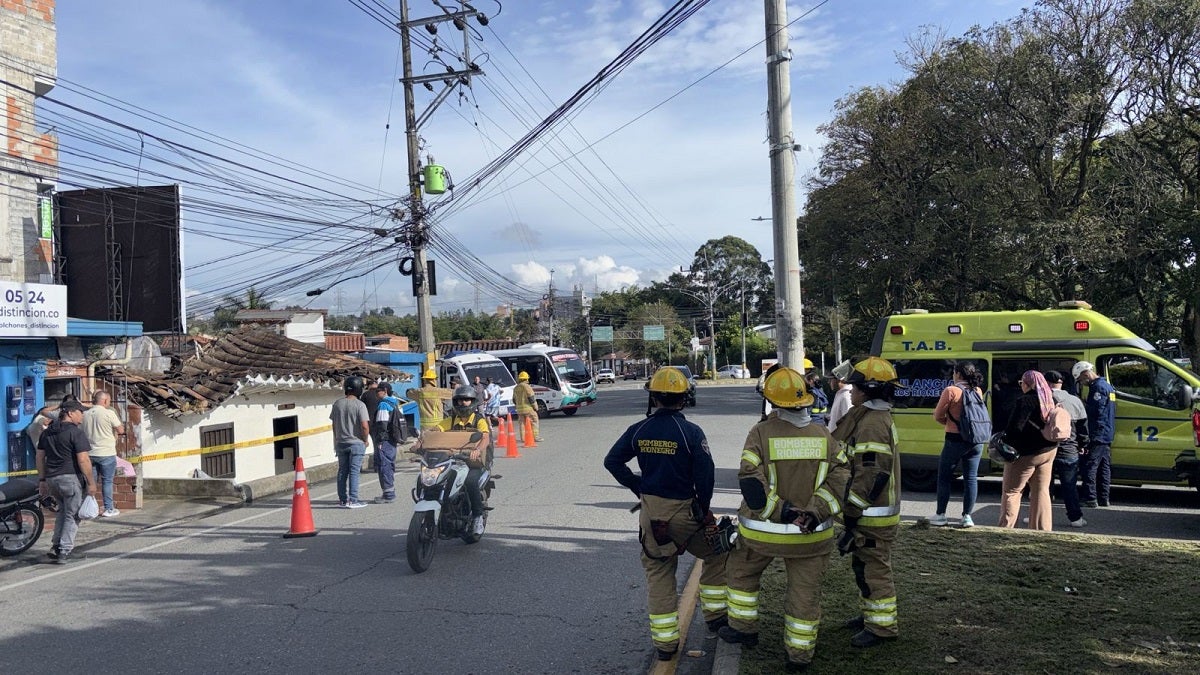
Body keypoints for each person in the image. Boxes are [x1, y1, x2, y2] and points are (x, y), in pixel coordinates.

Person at [718, 367, 849, 671]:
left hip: (763, 533)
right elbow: (842, 476)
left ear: (772, 401)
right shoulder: (823, 436)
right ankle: (798, 656)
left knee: (741, 573)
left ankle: (743, 630)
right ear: (805, 400)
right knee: (805, 595)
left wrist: (783, 511)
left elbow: (750, 480)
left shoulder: (761, 433)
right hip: (810, 537)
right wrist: (815, 512)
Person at [604, 366, 728, 662]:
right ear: (684, 399)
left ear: (654, 398)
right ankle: (715, 618)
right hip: (687, 513)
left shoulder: (639, 430)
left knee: (659, 573)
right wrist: (703, 509)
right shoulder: (691, 433)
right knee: (718, 552)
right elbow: (706, 476)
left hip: (651, 515)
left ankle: (665, 645)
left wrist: (638, 486)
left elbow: (612, 461)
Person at [830, 356, 903, 649]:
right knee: (863, 566)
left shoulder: (873, 422)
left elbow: (872, 473)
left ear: (868, 390)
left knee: (874, 568)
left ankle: (882, 627)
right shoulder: (868, 415)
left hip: (871, 514)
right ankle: (871, 615)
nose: (852, 389)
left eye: (857, 385)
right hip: (868, 513)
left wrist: (852, 511)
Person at [35, 400, 98, 564]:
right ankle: (65, 550)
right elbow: (83, 459)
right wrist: (91, 482)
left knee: (63, 512)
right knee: (73, 515)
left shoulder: (47, 433)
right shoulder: (75, 433)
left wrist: (42, 480)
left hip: (52, 479)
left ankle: (56, 546)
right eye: (80, 412)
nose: (82, 415)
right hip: (70, 478)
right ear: (70, 413)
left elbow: (40, 457)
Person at [997, 370, 1059, 530]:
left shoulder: (1025, 401)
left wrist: (1004, 441)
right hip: (1049, 450)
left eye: (1022, 383)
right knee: (1041, 491)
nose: (1021, 386)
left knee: (1012, 491)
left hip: (1026, 453)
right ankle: (1041, 529)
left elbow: (1015, 429)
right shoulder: (1050, 399)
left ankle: (1006, 529)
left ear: (1028, 384)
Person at [930, 363, 985, 528]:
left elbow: (937, 415)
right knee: (971, 478)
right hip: (975, 440)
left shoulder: (951, 391)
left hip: (954, 438)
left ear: (958, 374)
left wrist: (949, 423)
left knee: (945, 477)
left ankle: (940, 515)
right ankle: (967, 516)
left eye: (954, 372)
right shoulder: (977, 391)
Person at [436, 385, 492, 535]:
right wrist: (421, 441)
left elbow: (485, 437)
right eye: (460, 400)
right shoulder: (451, 419)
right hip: (453, 460)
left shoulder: (479, 420)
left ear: (473, 401)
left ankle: (477, 517)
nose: (463, 403)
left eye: (466, 400)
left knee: (470, 482)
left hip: (474, 462)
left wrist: (477, 450)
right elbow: (436, 431)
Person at [1044, 371, 1089, 527]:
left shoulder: (1043, 400)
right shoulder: (1075, 401)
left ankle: (1040, 515)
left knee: (1042, 486)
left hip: (1046, 449)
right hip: (1069, 449)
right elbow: (1083, 428)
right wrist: (1082, 445)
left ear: (1046, 382)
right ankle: (1075, 518)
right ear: (1061, 383)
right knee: (1069, 486)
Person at [1073, 361, 1115, 508]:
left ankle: (1090, 498)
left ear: (1085, 374)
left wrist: (1083, 405)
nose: (1081, 383)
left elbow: (1096, 411)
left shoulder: (1097, 388)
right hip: (1107, 432)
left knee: (1090, 466)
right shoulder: (1108, 386)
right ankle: (1104, 498)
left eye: (1080, 379)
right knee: (1104, 467)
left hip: (1098, 432)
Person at [82, 391, 125, 518]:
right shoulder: (109, 413)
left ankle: (90, 507)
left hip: (90, 453)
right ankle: (108, 508)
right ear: (105, 400)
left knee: (91, 482)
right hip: (106, 452)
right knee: (107, 481)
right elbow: (121, 430)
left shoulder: (85, 414)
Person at [331, 376, 371, 508]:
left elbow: (334, 424)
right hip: (356, 443)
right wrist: (365, 440)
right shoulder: (360, 405)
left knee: (342, 471)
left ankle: (342, 499)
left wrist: (336, 439)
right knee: (354, 471)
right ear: (359, 389)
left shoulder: (337, 404)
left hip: (340, 442)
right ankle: (353, 500)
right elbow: (364, 426)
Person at [372, 382, 401, 503]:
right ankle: (389, 491)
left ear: (384, 391)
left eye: (378, 390)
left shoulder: (383, 405)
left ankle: (388, 494)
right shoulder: (395, 403)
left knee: (384, 466)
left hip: (385, 440)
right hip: (393, 439)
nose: (376, 393)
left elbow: (382, 424)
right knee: (389, 464)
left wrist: (380, 440)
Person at [513, 371, 542, 443]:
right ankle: (536, 437)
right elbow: (531, 398)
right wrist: (535, 407)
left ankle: (523, 438)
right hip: (528, 408)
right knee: (534, 421)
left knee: (522, 424)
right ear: (526, 379)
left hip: (519, 410)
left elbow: (514, 400)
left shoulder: (516, 388)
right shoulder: (527, 387)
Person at [826, 360, 855, 432]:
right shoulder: (840, 394)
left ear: (839, 379)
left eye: (831, 379)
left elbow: (848, 422)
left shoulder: (846, 396)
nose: (828, 382)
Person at [361, 381, 382, 452]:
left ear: (369, 386)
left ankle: (377, 458)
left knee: (375, 443)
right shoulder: (381, 394)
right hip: (382, 422)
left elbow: (361, 409)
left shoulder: (365, 395)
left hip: (370, 423)